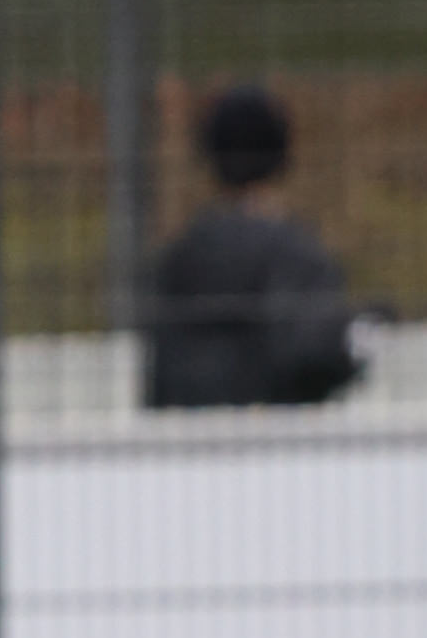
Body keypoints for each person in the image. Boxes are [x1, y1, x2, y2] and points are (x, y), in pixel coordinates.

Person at [140, 82, 365, 410]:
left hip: (193, 435)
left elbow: (160, 377)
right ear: (281, 154)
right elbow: (314, 357)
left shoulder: (180, 257)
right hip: (276, 434)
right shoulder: (297, 253)